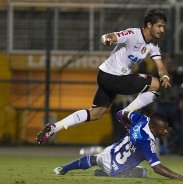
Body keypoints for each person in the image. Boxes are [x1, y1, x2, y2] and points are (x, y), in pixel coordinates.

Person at [36, 8, 171, 144]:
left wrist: (165, 76)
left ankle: (54, 127)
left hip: (106, 77)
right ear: (149, 25)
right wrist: (107, 39)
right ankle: (126, 113)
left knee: (95, 113)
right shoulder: (133, 33)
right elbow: (109, 36)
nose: (162, 30)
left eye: (163, 27)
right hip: (113, 77)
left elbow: (160, 66)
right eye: (159, 26)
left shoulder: (153, 45)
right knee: (157, 86)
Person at [53, 111, 183, 180]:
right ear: (153, 128)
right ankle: (105, 174)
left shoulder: (142, 119)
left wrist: (128, 126)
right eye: (162, 129)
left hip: (108, 153)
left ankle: (62, 169)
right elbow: (157, 168)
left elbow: (121, 114)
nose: (165, 131)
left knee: (93, 159)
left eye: (166, 128)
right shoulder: (147, 143)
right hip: (116, 170)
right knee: (143, 173)